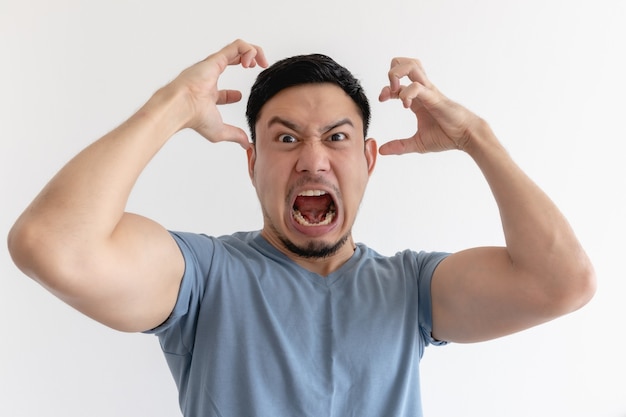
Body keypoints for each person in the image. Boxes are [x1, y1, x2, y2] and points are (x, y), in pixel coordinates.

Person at [7, 39, 596, 416]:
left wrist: (476, 137)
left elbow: (563, 282)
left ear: (367, 160)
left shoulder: (411, 289)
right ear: (252, 162)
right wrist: (174, 105)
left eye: (336, 138)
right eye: (285, 138)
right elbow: (51, 244)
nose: (313, 160)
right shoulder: (203, 279)